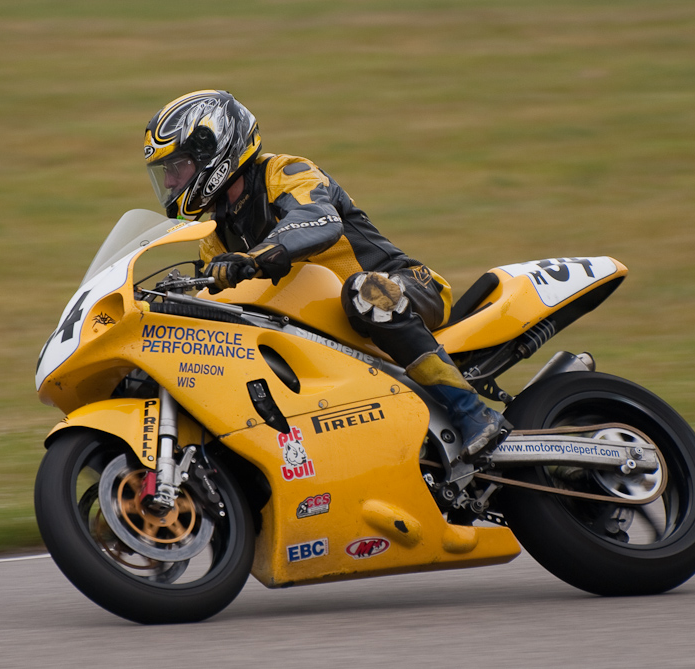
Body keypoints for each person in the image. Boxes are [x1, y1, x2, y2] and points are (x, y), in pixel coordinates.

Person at [143, 90, 509, 460]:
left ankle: (473, 413)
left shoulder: (287, 173)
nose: (170, 182)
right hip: (332, 328)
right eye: (166, 172)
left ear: (213, 155)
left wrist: (255, 258)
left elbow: (318, 220)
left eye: (177, 166)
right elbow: (216, 305)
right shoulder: (214, 236)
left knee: (366, 293)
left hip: (405, 287)